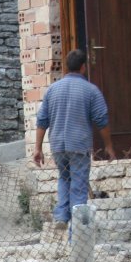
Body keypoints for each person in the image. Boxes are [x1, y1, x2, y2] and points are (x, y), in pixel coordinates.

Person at [33, 48, 116, 230]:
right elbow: (102, 120)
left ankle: (61, 215)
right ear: (83, 67)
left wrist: (37, 148)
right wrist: (108, 146)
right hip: (78, 145)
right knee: (78, 185)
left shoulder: (52, 90)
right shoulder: (91, 91)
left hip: (57, 146)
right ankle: (76, 233)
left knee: (64, 178)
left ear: (66, 67)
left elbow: (42, 120)